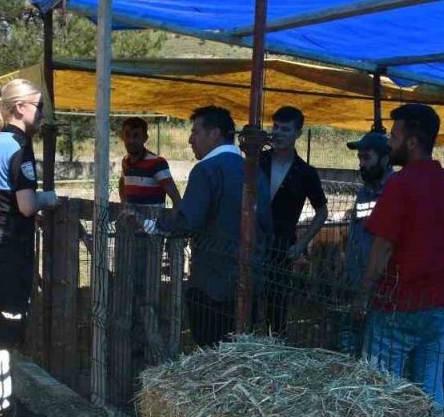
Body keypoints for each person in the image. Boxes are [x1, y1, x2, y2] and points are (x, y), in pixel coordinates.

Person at [138, 105, 271, 348]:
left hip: (212, 283)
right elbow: (265, 222)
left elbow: (188, 221)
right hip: (248, 280)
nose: (190, 139)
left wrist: (149, 225)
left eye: (195, 132)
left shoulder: (206, 170)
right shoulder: (255, 171)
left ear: (214, 134)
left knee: (211, 351)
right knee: (239, 350)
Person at [354, 104, 444, 411]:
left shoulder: (400, 184)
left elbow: (383, 246)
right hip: (437, 303)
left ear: (412, 142)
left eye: (395, 136)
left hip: (397, 303)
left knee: (380, 388)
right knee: (429, 388)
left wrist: (363, 293)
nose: (390, 143)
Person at [0, 78, 59, 417]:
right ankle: (5, 409)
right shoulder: (19, 145)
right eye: (40, 107)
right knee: (6, 327)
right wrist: (49, 200)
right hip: (5, 248)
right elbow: (24, 206)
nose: (42, 115)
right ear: (21, 108)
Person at [259, 106, 327, 338]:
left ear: (298, 133)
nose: (277, 133)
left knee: (276, 307)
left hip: (281, 248)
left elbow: (322, 212)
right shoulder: (257, 160)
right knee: (246, 301)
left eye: (285, 129)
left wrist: (301, 245)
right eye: (275, 127)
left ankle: (275, 349)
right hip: (252, 242)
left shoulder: (306, 172)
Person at [338, 130, 393, 355]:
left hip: (384, 286)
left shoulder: (394, 191)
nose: (361, 164)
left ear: (385, 159)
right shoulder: (363, 194)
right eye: (360, 158)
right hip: (359, 280)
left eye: (366, 158)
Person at [118, 117, 181, 209]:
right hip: (132, 222)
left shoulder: (157, 163)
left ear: (145, 138)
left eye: (136, 136)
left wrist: (172, 221)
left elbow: (176, 198)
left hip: (153, 222)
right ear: (122, 137)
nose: (131, 141)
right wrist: (125, 207)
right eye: (127, 135)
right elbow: (122, 184)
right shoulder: (125, 162)